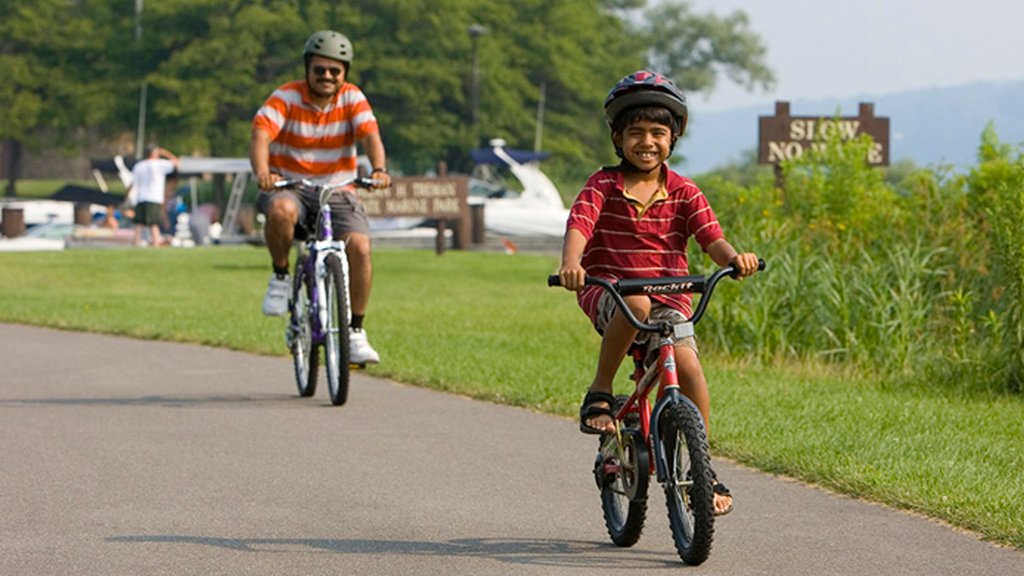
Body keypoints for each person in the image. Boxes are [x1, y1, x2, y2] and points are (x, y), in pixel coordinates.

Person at [556, 70, 761, 517]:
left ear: (673, 139)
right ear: (617, 137)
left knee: (688, 363)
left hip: (671, 294)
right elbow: (579, 227)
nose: (646, 142)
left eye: (657, 133)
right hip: (611, 290)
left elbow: (711, 238)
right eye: (635, 133)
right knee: (636, 302)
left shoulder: (685, 190)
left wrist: (732, 260)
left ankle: (702, 469)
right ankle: (601, 391)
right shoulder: (602, 185)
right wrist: (572, 264)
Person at [250, 29, 391, 365]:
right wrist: (263, 173)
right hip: (292, 187)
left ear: (345, 73)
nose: (327, 76)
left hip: (339, 189)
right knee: (281, 210)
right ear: (307, 69)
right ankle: (281, 277)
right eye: (320, 70)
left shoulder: (353, 98)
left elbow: (370, 135)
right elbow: (260, 135)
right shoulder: (285, 97)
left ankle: (355, 331)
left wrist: (380, 169)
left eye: (335, 71)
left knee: (360, 247)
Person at [128, 146, 179, 247]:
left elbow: (131, 183)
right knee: (154, 223)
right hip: (154, 197)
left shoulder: (139, 166)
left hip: (141, 197)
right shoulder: (159, 164)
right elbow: (177, 162)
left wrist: (127, 197)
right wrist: (165, 153)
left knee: (139, 224)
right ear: (155, 153)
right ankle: (156, 244)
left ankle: (136, 244)